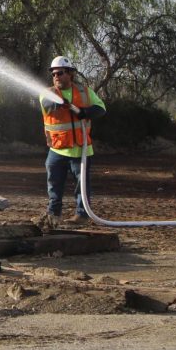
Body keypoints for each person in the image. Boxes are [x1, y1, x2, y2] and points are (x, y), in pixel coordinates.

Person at [38, 56, 106, 229]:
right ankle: (53, 215)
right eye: (53, 74)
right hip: (57, 150)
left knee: (81, 186)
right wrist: (62, 103)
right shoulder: (48, 93)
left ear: (70, 74)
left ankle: (82, 216)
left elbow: (101, 109)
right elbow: (47, 104)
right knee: (54, 184)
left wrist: (85, 111)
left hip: (82, 150)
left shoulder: (85, 92)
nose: (56, 77)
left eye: (60, 73)